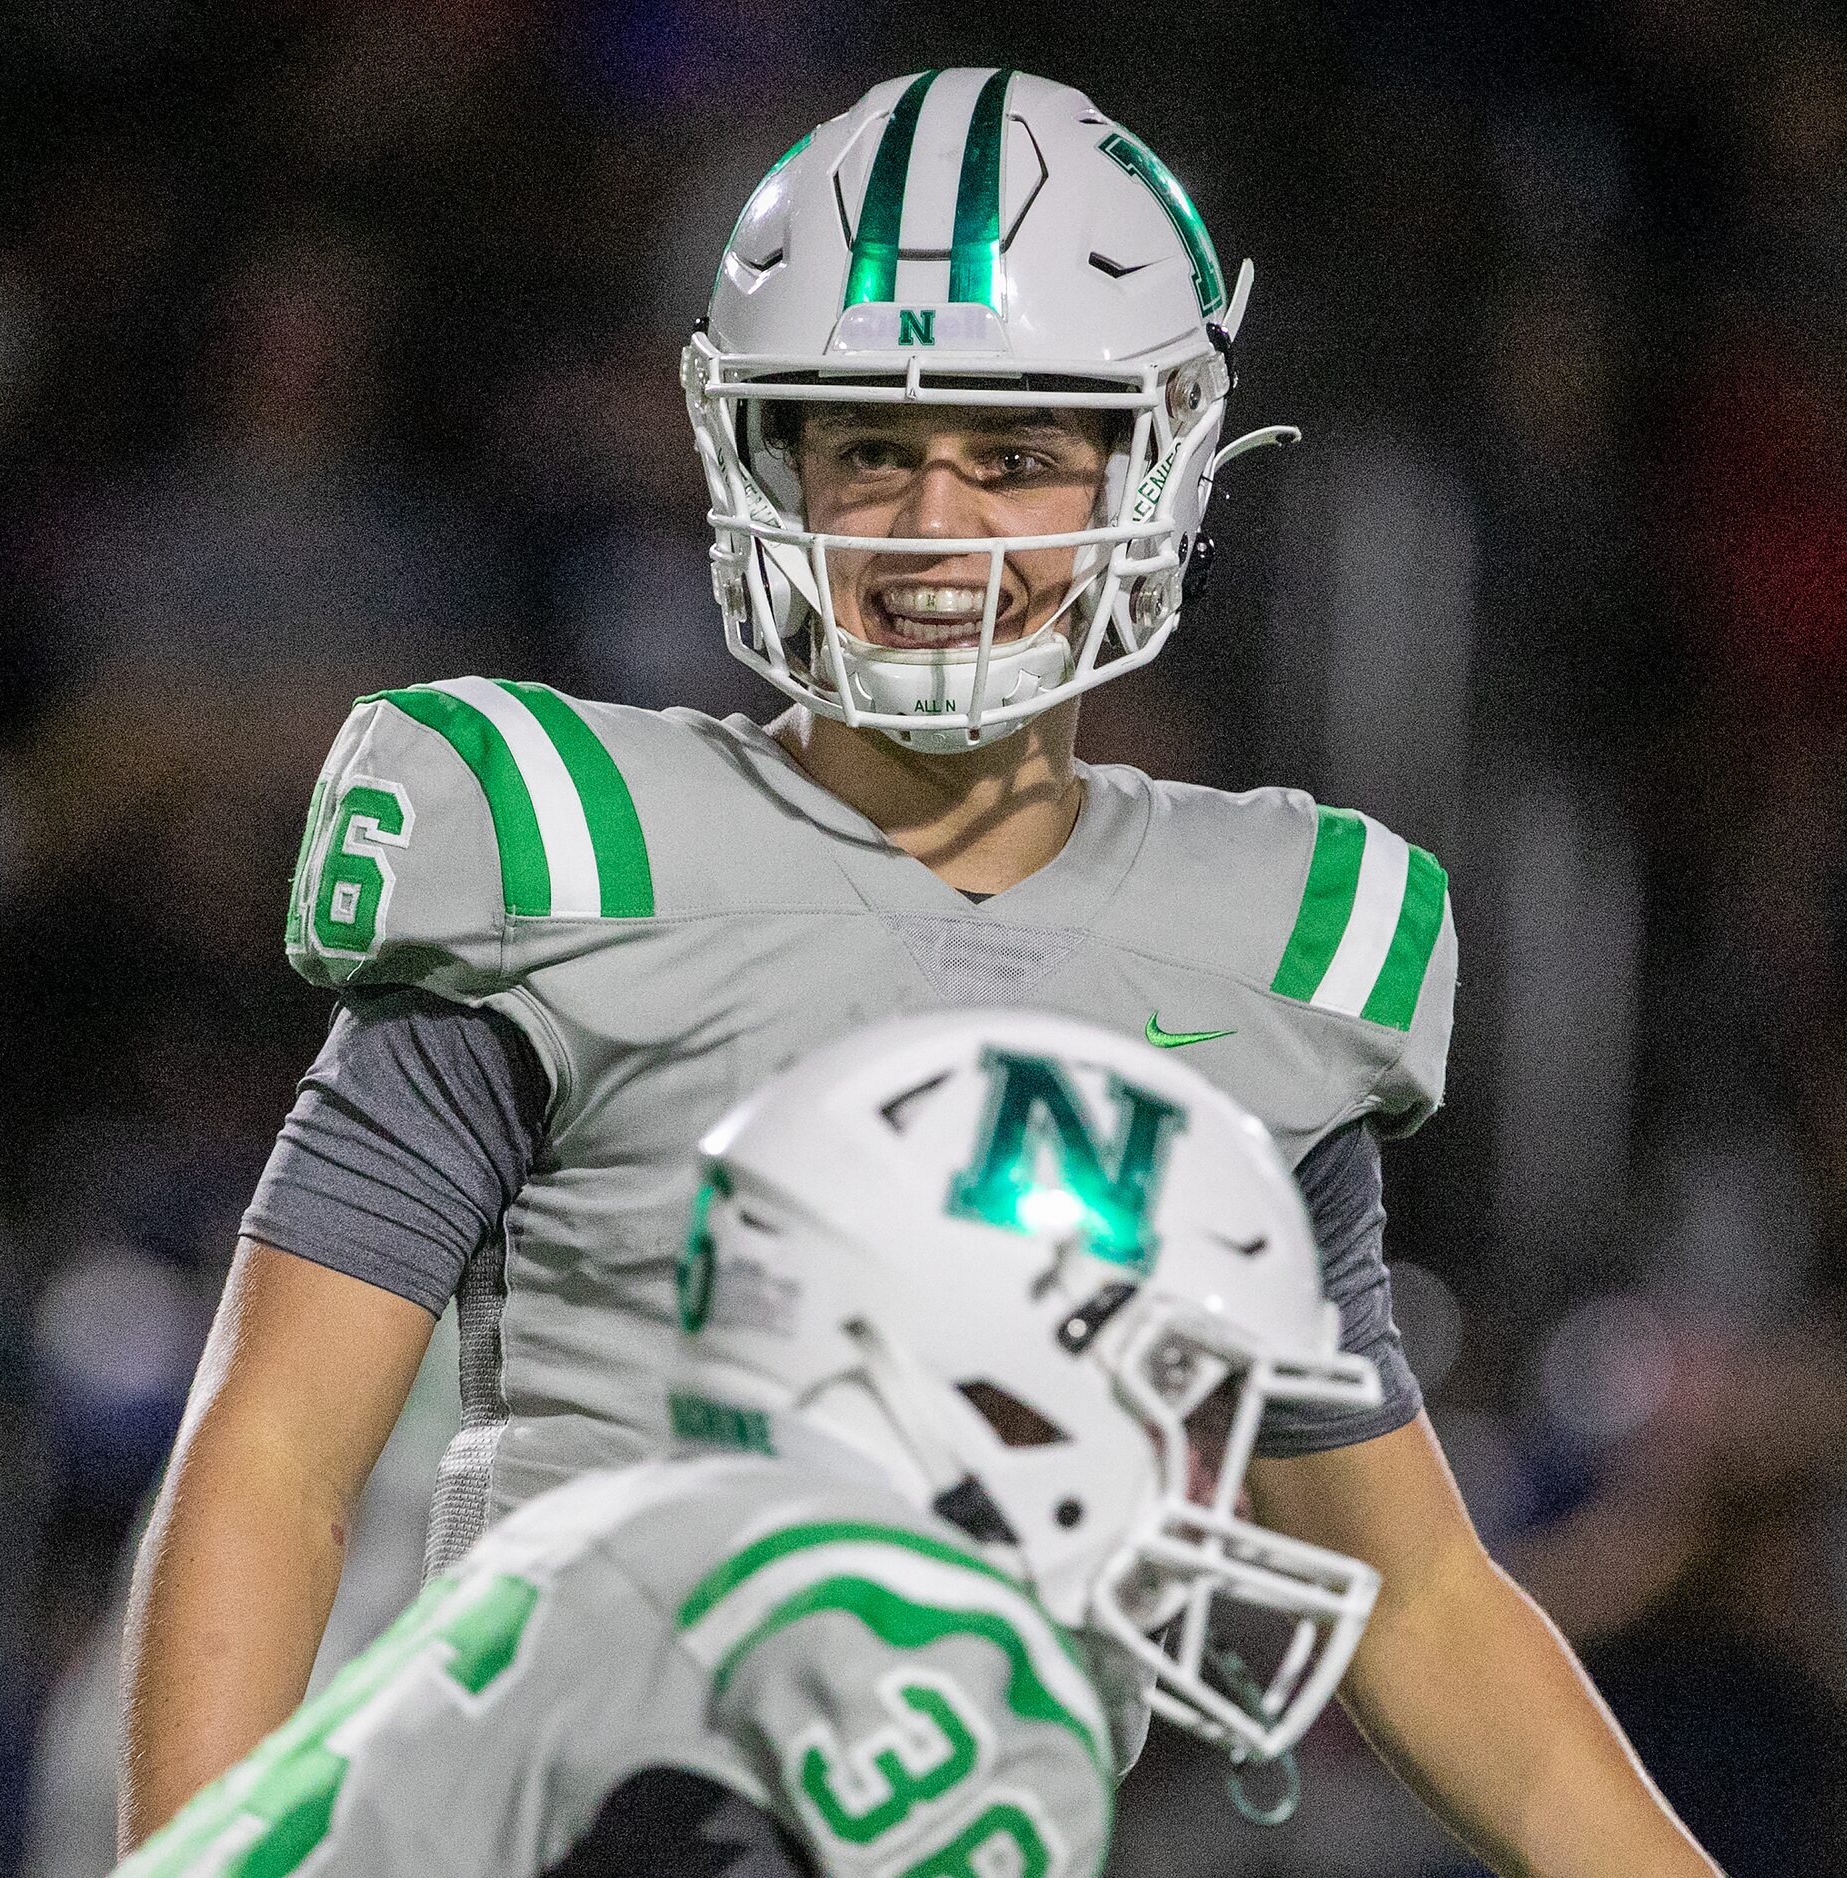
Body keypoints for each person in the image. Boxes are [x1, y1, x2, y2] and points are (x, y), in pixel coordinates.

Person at [124, 68, 1719, 1875]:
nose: (932, 523)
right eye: (870, 447)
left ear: (1154, 463)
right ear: (765, 456)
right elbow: (271, 1458)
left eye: (1015, 454)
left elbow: (1411, 1596)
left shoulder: (1261, 951)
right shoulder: (565, 849)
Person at [117, 1012, 1390, 1878]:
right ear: (986, 1370)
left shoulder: (640, 1536)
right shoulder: (913, 1644)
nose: (1218, 1478)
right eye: (1186, 1397)